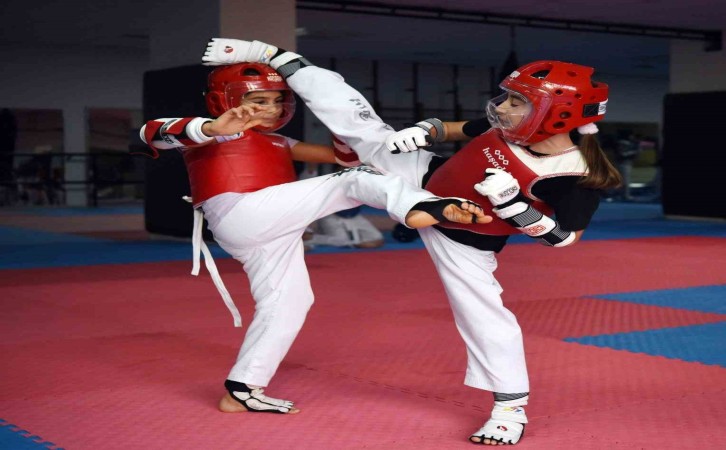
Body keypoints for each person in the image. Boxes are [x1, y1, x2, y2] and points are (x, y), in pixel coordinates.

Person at [201, 40, 621, 444]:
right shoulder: (508, 127)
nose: (504, 107)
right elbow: (457, 129)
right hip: (422, 177)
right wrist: (425, 131)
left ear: (556, 115)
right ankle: (280, 57)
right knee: (363, 126)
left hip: (467, 238)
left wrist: (514, 207)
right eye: (508, 97)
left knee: (484, 316)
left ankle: (510, 410)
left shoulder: (574, 176)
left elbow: (564, 239)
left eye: (517, 102)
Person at [138, 61, 491, 416]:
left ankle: (242, 388)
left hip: (271, 228)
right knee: (353, 181)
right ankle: (424, 206)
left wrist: (341, 127)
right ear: (223, 101)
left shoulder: (280, 141)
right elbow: (151, 133)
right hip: (241, 212)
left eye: (277, 101)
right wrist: (212, 127)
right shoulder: (210, 133)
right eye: (259, 101)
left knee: (289, 301)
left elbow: (343, 159)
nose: (271, 109)